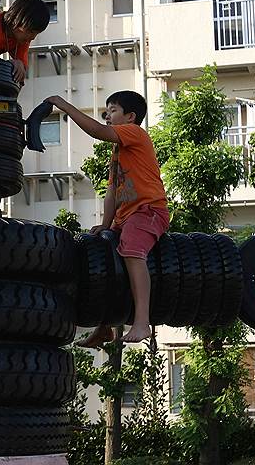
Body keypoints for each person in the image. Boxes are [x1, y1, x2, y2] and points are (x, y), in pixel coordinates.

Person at [45, 91, 169, 347]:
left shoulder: (135, 133)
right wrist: (105, 225)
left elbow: (97, 131)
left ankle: (142, 322)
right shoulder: (118, 152)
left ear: (130, 116)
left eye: (113, 110)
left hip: (149, 211)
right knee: (108, 260)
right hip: (126, 217)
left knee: (133, 253)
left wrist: (65, 106)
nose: (108, 116)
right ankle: (105, 327)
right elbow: (112, 192)